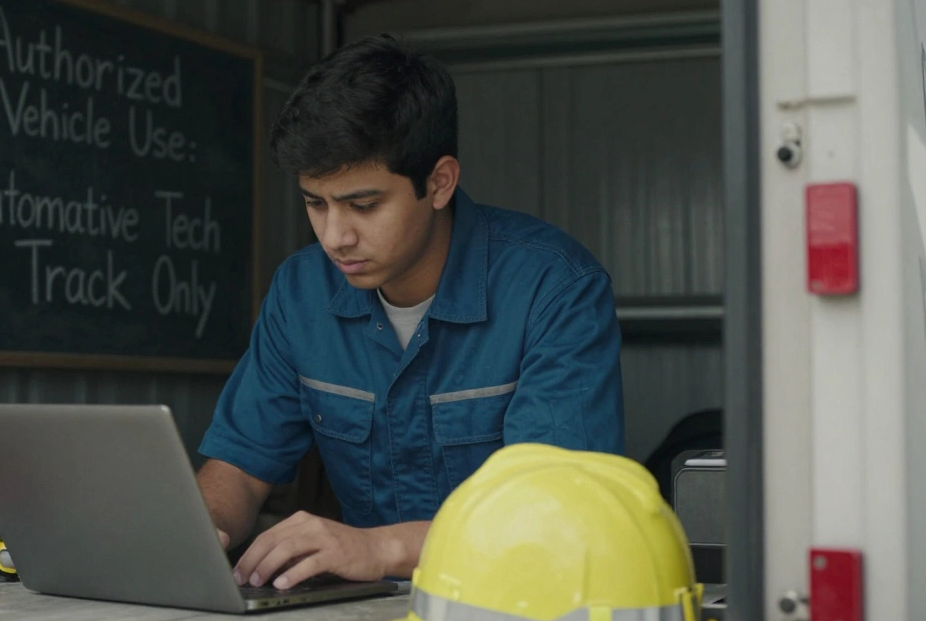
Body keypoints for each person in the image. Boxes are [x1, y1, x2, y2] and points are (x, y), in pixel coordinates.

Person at [195, 34, 624, 592]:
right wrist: (202, 531)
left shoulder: (555, 289)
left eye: (364, 205)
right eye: (315, 203)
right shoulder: (299, 293)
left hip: (522, 614)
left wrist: (379, 547)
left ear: (439, 182)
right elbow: (238, 466)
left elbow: (551, 513)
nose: (334, 236)